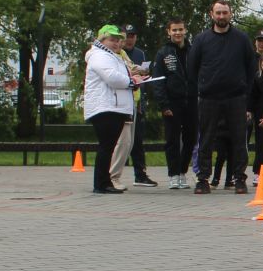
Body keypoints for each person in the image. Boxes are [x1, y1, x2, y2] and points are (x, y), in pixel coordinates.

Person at [187, 0, 254, 195]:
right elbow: (192, 69)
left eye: (225, 12)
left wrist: (246, 95)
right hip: (209, 98)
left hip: (236, 98)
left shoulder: (242, 39)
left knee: (239, 139)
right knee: (206, 139)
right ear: (211, 14)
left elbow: (251, 68)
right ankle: (203, 179)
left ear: (230, 14)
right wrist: (200, 89)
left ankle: (239, 179)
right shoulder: (201, 40)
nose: (222, 16)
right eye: (218, 13)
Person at [83, 25, 137, 195]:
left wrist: (132, 81)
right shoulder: (99, 56)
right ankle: (101, 184)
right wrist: (131, 82)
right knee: (106, 146)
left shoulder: (110, 56)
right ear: (102, 40)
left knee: (109, 146)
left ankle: (104, 181)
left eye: (118, 40)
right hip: (105, 107)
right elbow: (112, 78)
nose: (116, 43)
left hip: (112, 106)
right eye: (112, 40)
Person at [152, 19, 195, 189]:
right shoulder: (163, 53)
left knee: (191, 139)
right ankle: (173, 174)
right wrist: (164, 104)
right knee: (172, 139)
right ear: (168, 32)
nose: (178, 33)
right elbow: (158, 81)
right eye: (174, 30)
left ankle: (183, 171)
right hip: (172, 103)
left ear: (185, 31)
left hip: (191, 101)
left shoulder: (193, 51)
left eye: (180, 30)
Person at [121, 26, 157, 186]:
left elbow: (145, 76)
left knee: (137, 140)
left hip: (137, 101)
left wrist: (144, 73)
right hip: (121, 102)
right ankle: (112, 174)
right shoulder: (117, 53)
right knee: (120, 141)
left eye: (132, 36)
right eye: (127, 36)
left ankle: (140, 174)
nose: (130, 39)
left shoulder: (140, 53)